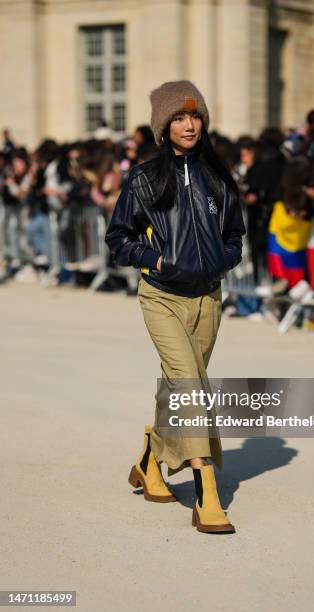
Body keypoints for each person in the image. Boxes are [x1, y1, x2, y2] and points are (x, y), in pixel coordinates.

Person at [105, 80, 246, 534]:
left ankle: (151, 459)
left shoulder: (219, 178)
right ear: (164, 126)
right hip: (162, 296)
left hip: (208, 298)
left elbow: (235, 237)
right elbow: (118, 239)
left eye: (195, 116)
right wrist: (156, 260)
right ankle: (206, 488)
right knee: (190, 387)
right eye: (180, 118)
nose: (189, 125)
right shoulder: (146, 178)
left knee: (178, 389)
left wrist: (223, 260)